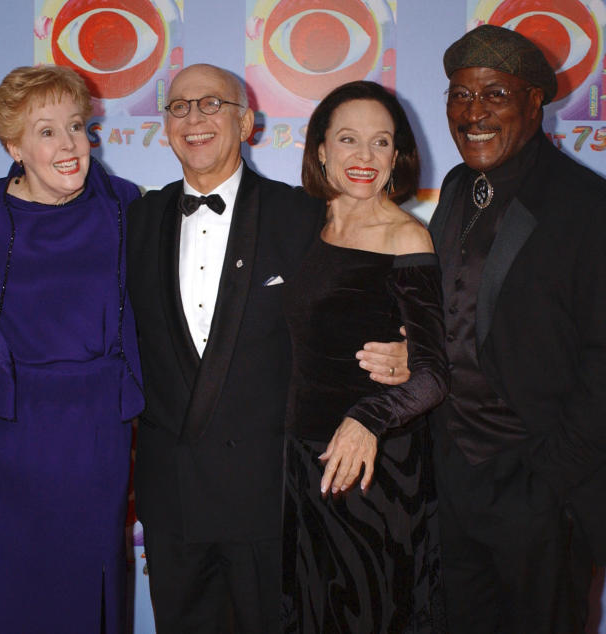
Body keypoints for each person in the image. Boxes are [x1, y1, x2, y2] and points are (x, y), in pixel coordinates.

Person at [127, 64, 410, 633]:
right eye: (179, 107)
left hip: (273, 498)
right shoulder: (135, 218)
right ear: (164, 126)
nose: (194, 118)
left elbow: (375, 303)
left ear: (247, 121)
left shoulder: (307, 216)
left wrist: (409, 349)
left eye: (211, 104)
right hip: (171, 499)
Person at [427, 25, 606, 632]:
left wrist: (549, 478)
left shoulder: (594, 210)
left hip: (537, 484)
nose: (472, 113)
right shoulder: (455, 188)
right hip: (451, 481)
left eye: (494, 95)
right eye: (459, 94)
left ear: (536, 102)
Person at [0, 65, 143, 633]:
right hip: (5, 426)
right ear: (13, 146)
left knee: (86, 583)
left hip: (93, 428)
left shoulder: (123, 205)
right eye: (46, 131)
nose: (69, 144)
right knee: (5, 582)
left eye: (76, 126)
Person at [282, 80, 448, 633]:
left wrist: (365, 420)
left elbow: (432, 376)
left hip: (374, 474)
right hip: (306, 462)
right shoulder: (308, 221)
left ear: (397, 155)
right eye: (349, 139)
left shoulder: (407, 239)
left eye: (381, 143)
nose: (365, 157)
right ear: (321, 148)